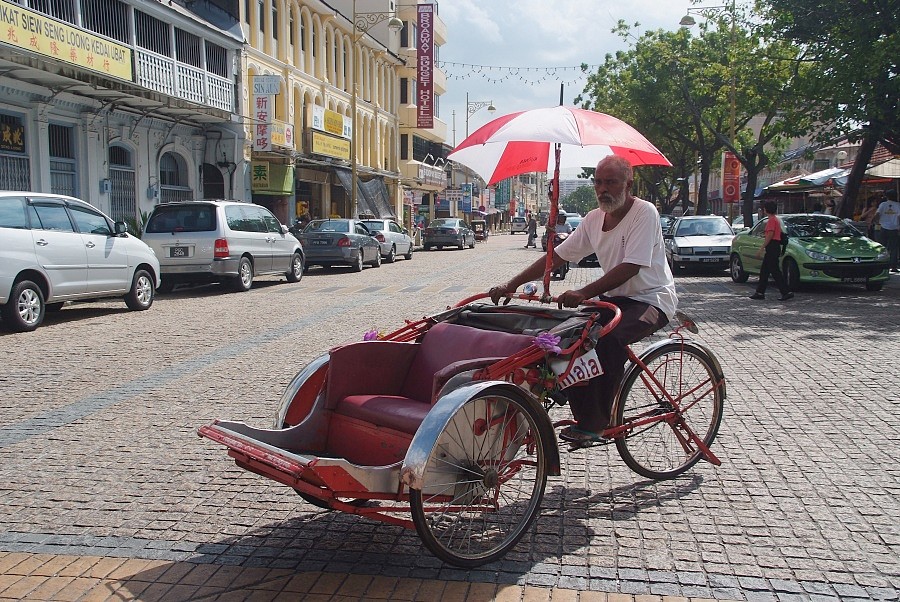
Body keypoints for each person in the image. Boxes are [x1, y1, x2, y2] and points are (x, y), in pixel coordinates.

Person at [488, 155, 677, 445]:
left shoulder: (644, 212)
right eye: (598, 182)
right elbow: (558, 256)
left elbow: (631, 267)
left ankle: (599, 420)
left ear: (629, 184)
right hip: (613, 300)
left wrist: (583, 293)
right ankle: (583, 414)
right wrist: (512, 283)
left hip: (651, 299)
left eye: (611, 182)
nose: (603, 189)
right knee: (566, 338)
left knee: (607, 339)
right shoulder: (593, 219)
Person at [749, 201, 793, 301]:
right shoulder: (775, 220)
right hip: (774, 247)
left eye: (764, 208)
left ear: (766, 210)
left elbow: (770, 235)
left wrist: (762, 247)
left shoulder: (771, 221)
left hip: (772, 246)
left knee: (775, 271)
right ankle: (760, 292)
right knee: (764, 271)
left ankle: (786, 291)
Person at [874, 189, 899, 272]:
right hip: (894, 228)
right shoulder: (898, 205)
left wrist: (876, 222)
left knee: (882, 247)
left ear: (887, 196)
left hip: (883, 228)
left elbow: (877, 214)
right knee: (894, 248)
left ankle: (881, 264)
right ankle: (893, 266)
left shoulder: (883, 204)